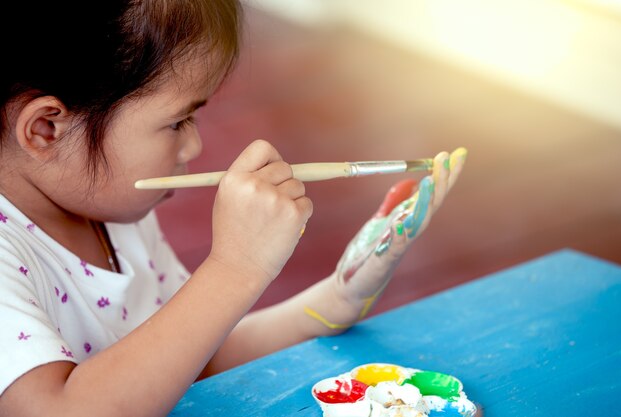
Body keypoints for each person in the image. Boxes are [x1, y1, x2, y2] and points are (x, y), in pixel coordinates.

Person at [0, 1, 467, 416]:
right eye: (178, 120)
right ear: (45, 128)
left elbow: (190, 359)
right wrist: (235, 266)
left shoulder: (111, 208)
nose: (194, 145)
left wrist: (332, 301)